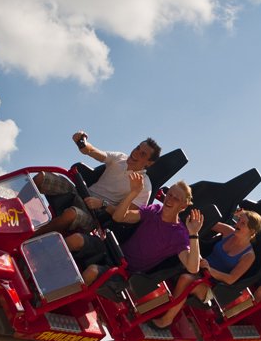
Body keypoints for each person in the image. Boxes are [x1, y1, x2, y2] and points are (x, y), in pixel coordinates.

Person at [77, 173, 202, 328]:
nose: (169, 199)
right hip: (112, 250)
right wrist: (134, 193)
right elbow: (119, 217)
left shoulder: (179, 234)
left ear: (183, 206)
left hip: (126, 271)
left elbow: (192, 267)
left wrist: (194, 234)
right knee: (76, 239)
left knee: (92, 271)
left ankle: (71, 305)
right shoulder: (154, 210)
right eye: (169, 194)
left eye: (176, 198)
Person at [32, 131, 161, 247]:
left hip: (95, 215)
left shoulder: (143, 186)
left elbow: (123, 216)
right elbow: (92, 151)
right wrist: (82, 143)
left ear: (149, 163)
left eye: (142, 154)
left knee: (71, 214)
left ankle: (30, 240)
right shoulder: (120, 158)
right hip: (81, 193)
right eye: (138, 148)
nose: (136, 153)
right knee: (41, 177)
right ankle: (13, 211)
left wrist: (103, 204)